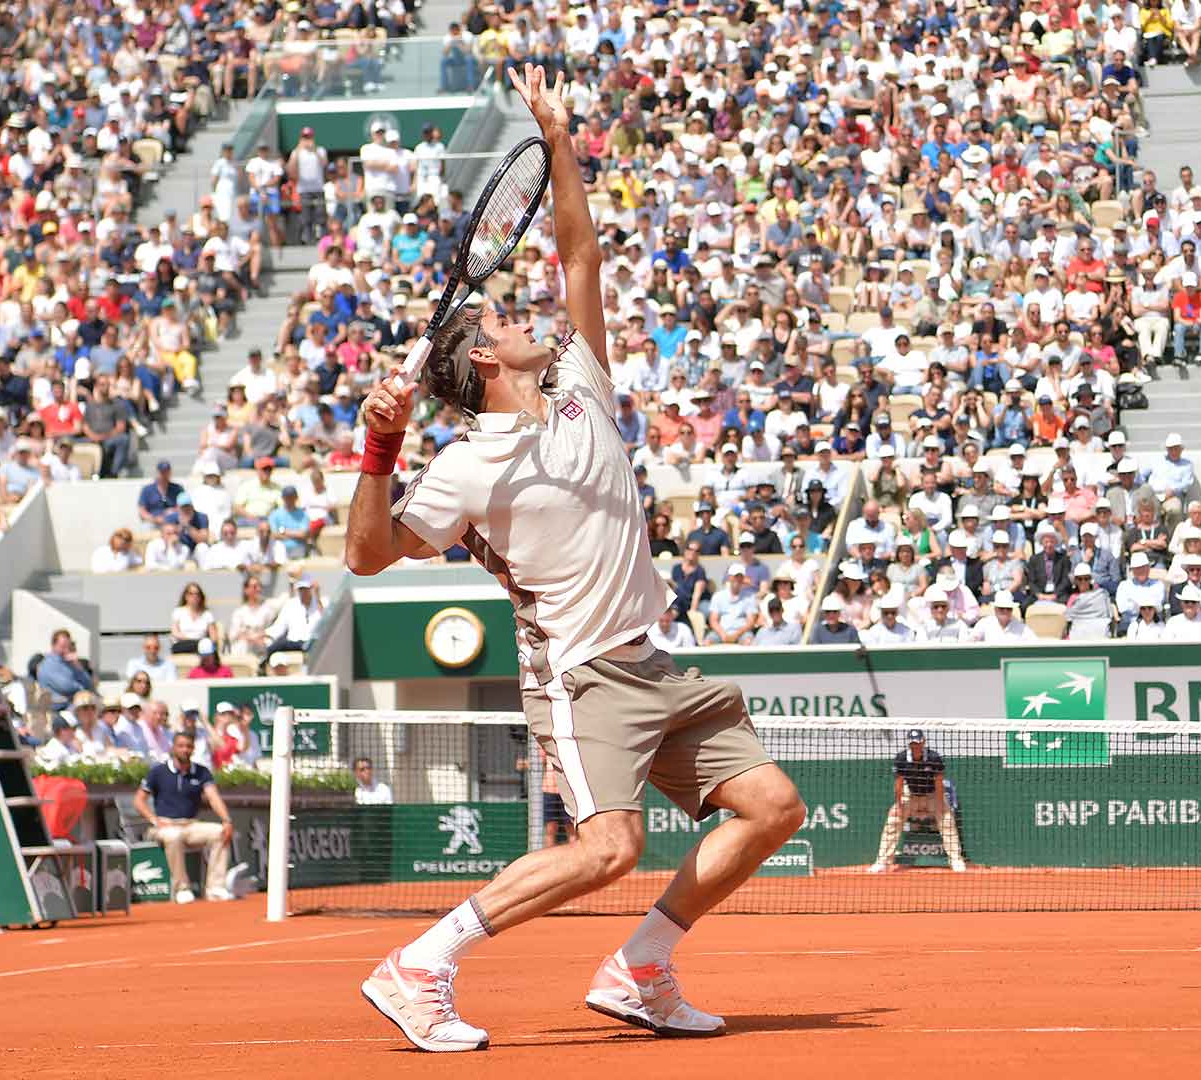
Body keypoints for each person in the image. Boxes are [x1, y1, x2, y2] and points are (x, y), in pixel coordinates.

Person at [347, 67, 803, 1049]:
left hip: (651, 659)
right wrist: (379, 451)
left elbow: (580, 250)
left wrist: (560, 138)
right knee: (609, 847)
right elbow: (368, 558)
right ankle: (420, 962)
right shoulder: (465, 466)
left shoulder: (581, 388)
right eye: (506, 321)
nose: (525, 318)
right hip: (580, 675)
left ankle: (640, 968)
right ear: (481, 363)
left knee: (770, 807)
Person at [132, 730, 237, 904]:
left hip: (190, 825)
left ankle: (215, 888)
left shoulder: (202, 772)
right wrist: (154, 820)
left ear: (193, 749)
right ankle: (182, 888)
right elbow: (139, 800)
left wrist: (227, 820)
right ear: (173, 748)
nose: (185, 750)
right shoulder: (158, 772)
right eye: (181, 746)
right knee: (174, 836)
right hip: (164, 826)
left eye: (188, 746)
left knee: (220, 832)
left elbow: (213, 797)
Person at [867, 729, 967, 874]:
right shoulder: (901, 758)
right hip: (911, 795)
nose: (916, 746)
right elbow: (899, 783)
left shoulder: (934, 758)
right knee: (893, 820)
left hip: (932, 795)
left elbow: (939, 782)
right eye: (913, 744)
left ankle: (956, 860)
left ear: (924, 742)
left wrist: (940, 803)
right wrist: (899, 803)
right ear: (909, 744)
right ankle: (882, 862)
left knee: (947, 820)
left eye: (918, 743)